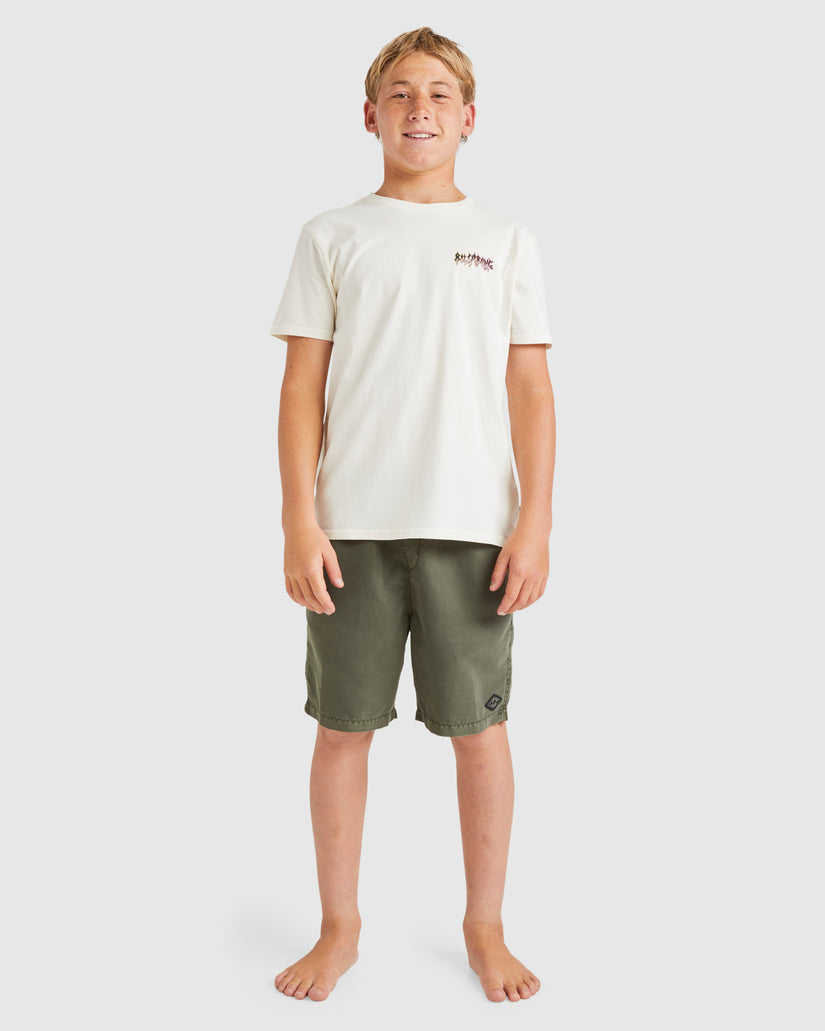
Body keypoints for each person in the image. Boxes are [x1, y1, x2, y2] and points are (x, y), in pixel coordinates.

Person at [269, 26, 556, 1004]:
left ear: (469, 118)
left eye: (438, 94)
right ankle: (339, 925)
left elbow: (531, 389)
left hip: (473, 529)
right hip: (349, 529)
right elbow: (301, 387)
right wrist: (298, 518)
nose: (418, 108)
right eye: (399, 93)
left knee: (480, 730)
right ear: (370, 115)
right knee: (341, 726)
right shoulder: (332, 235)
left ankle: (485, 924)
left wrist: (534, 522)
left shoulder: (506, 240)